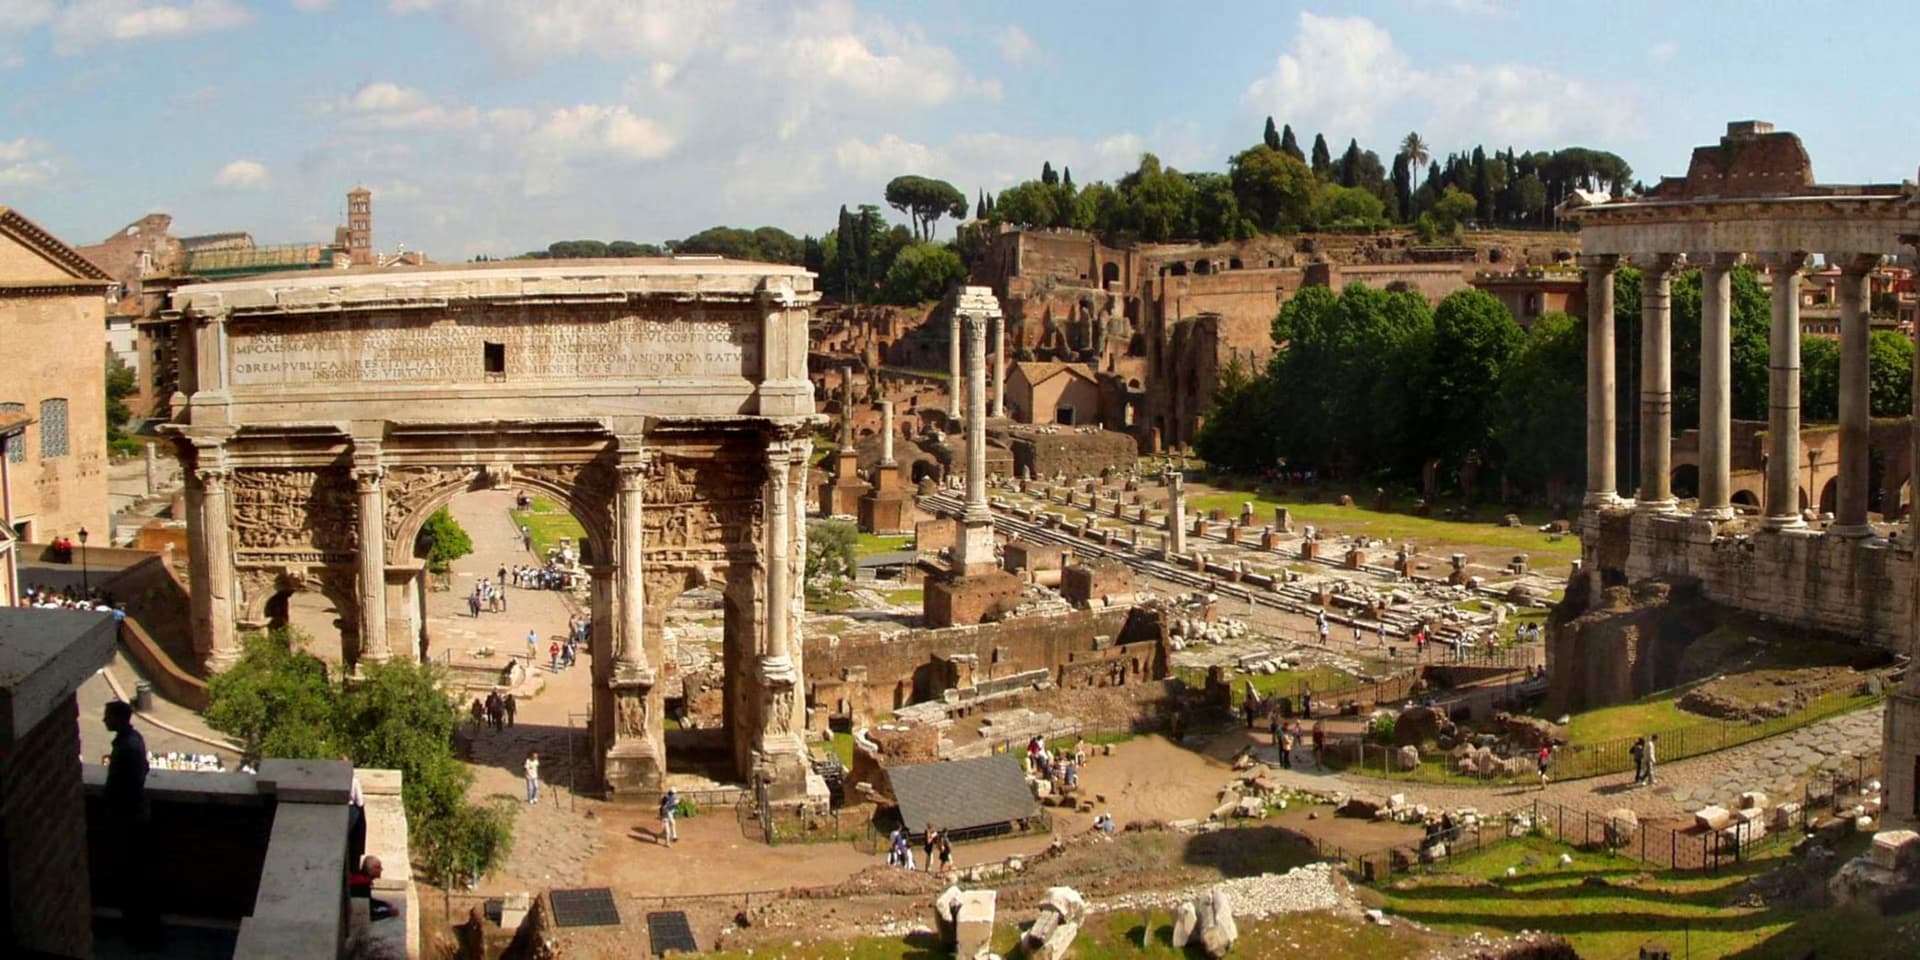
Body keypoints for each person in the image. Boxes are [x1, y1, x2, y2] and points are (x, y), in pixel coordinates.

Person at [103, 700, 160, 946]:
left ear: (118, 719)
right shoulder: (134, 740)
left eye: (108, 716)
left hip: (128, 819)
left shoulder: (126, 747)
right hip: (135, 816)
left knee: (132, 878)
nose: (104, 721)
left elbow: (122, 784)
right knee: (137, 878)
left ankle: (139, 933)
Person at [348, 855, 398, 921]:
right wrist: (389, 913)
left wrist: (385, 904)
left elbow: (369, 901)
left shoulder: (361, 880)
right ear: (371, 869)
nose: (381, 869)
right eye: (378, 867)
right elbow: (369, 914)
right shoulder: (361, 885)